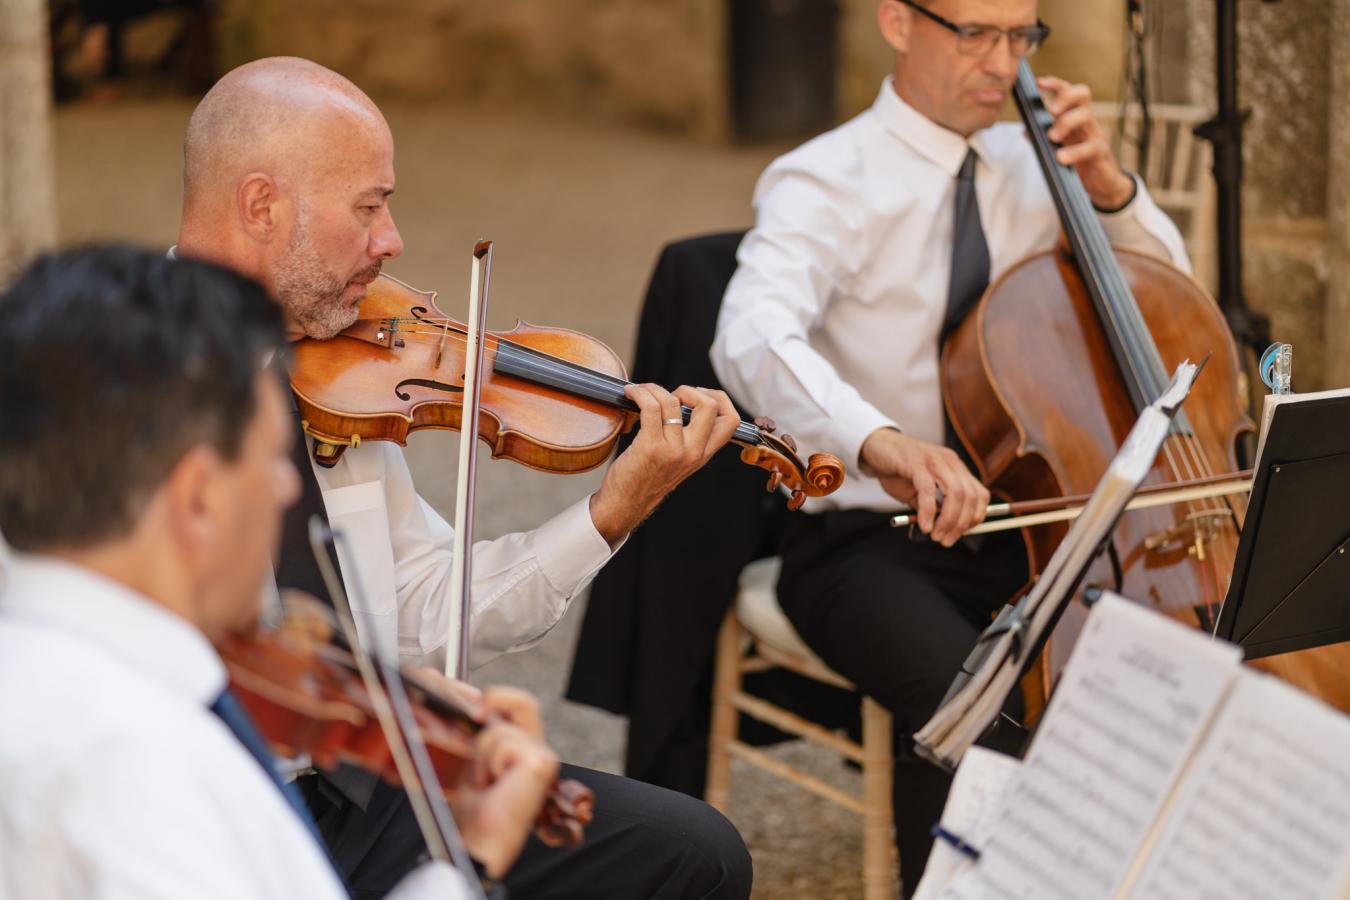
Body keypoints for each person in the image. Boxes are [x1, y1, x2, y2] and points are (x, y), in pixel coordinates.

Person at [174, 56, 753, 900]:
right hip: (212, 825)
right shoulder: (114, 393)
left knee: (696, 852)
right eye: (368, 206)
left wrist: (614, 506)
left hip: (360, 787)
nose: (392, 240)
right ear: (262, 206)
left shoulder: (334, 373)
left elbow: (428, 608)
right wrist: (378, 707)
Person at [710, 0, 1190, 893]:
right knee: (980, 719)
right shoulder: (825, 177)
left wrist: (1112, 194)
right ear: (898, 22)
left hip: (1034, 527)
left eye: (1022, 36)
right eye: (976, 34)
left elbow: (1169, 305)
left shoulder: (1037, 163)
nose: (1003, 64)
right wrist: (881, 441)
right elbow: (750, 333)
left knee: (1154, 693)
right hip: (868, 539)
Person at [0, 245, 559, 899]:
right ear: (198, 498)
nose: (289, 487)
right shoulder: (140, 763)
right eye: (271, 459)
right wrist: (475, 860)